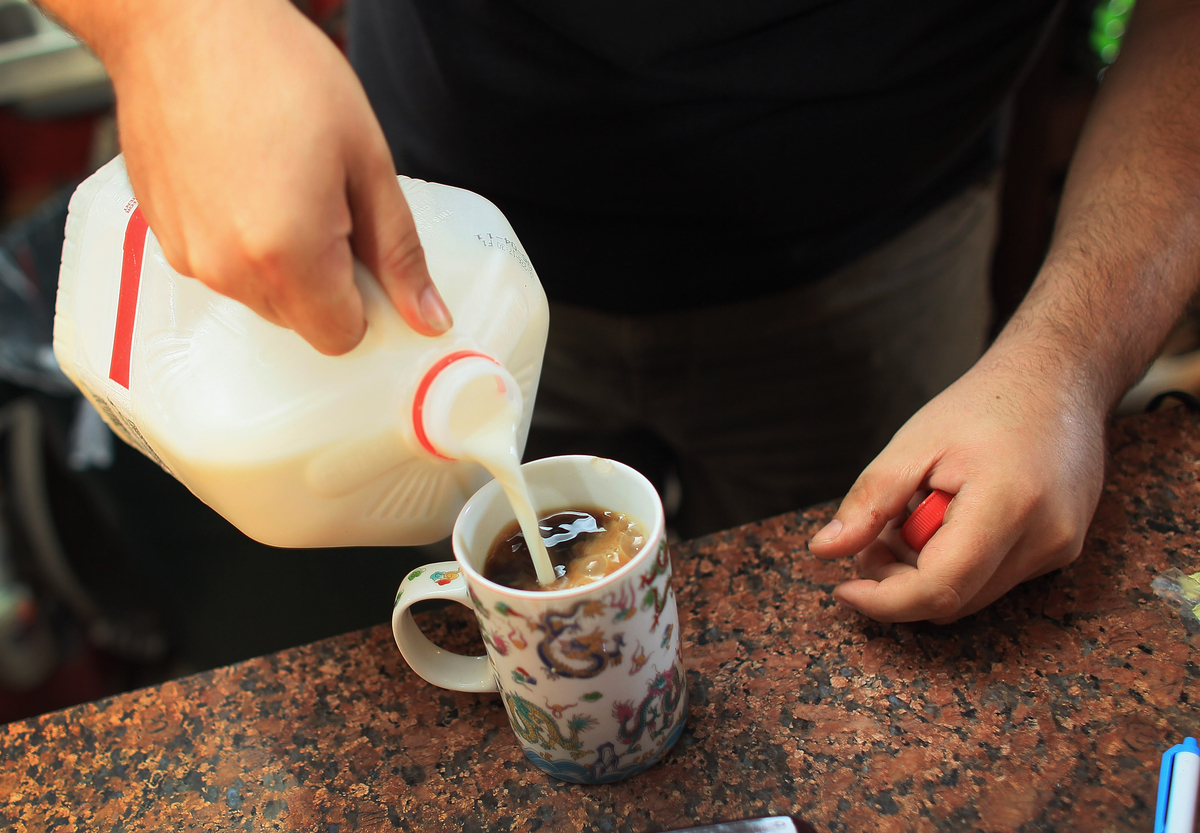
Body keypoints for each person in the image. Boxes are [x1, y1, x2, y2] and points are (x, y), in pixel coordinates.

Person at [44, 0, 1200, 624]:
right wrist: (168, 25)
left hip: (883, 260)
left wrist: (1068, 360)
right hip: (417, 274)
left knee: (872, 622)